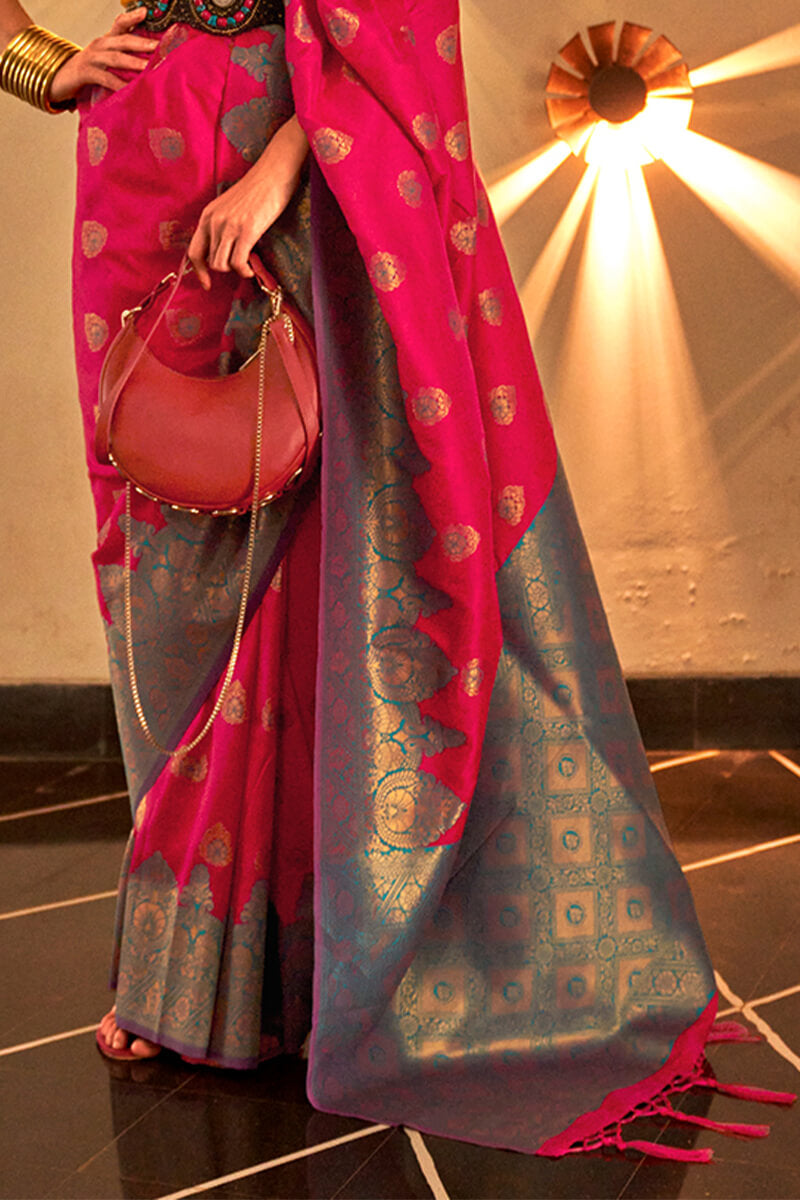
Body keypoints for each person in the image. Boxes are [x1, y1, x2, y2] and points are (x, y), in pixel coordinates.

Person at [1, 0, 791, 1160]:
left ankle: (322, 970)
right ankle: (193, 977)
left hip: (309, 150)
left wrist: (287, 162)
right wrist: (34, 59)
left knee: (324, 549)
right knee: (165, 565)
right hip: (141, 160)